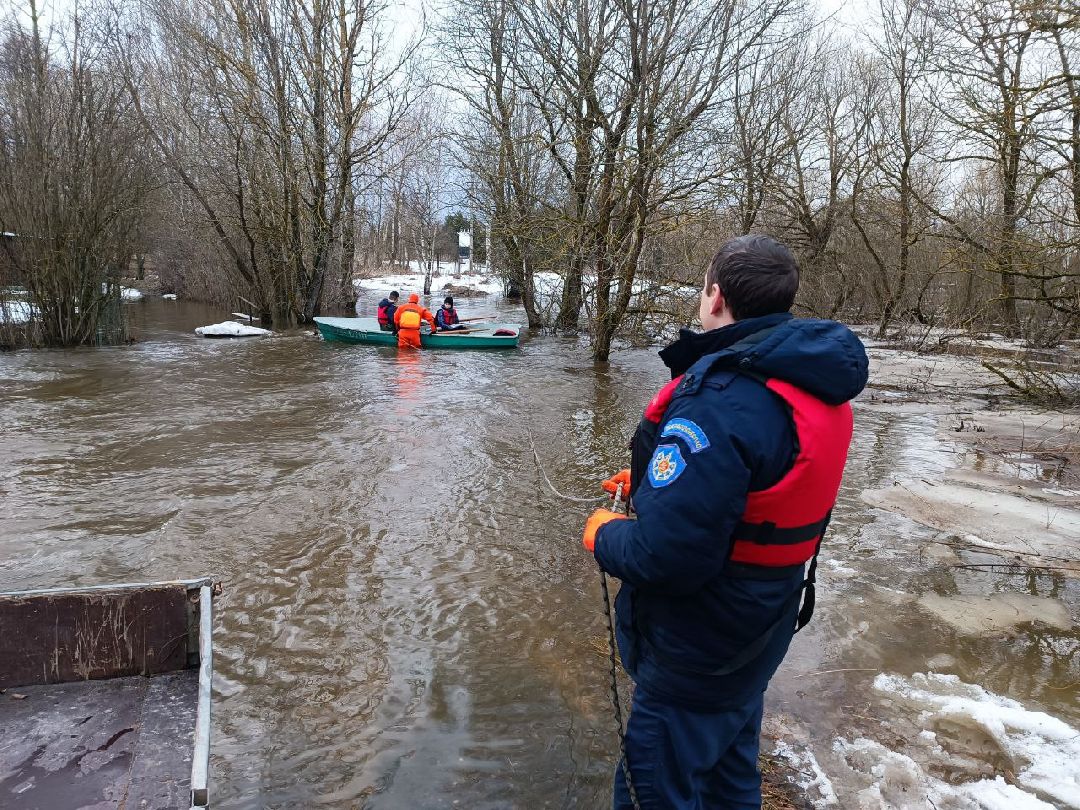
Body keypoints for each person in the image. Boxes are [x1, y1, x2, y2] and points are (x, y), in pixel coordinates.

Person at [581, 235, 868, 809]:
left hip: (699, 644)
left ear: (715, 296)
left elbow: (666, 558)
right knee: (729, 775)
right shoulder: (807, 383)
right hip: (761, 627)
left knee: (654, 789)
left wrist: (602, 534)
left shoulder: (719, 398)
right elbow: (761, 479)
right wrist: (654, 482)